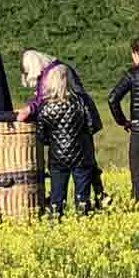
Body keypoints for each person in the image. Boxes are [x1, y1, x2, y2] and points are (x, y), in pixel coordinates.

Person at [17, 48, 106, 204]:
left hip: (58, 153)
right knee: (83, 187)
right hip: (80, 145)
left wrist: (31, 109)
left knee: (58, 192)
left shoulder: (48, 96)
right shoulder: (78, 99)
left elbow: (41, 131)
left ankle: (57, 212)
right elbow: (90, 123)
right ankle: (97, 199)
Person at [34, 63, 97, 215]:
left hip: (57, 158)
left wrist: (56, 141)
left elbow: (41, 136)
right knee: (82, 197)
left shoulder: (45, 107)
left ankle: (55, 222)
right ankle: (83, 222)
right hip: (81, 155)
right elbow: (91, 126)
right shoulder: (80, 102)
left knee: (57, 197)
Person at [107, 38, 139, 202]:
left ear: (137, 53)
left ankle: (138, 206)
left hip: (138, 132)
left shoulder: (133, 74)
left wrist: (123, 121)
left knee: (138, 181)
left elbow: (113, 98)